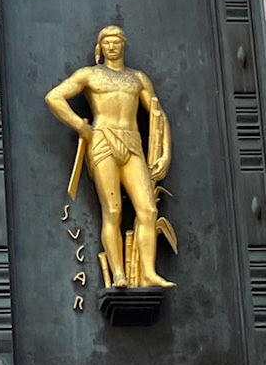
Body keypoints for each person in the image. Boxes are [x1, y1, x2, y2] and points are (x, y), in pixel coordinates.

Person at [45, 26, 174, 291]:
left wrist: (164, 153)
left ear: (124, 45)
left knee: (148, 210)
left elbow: (157, 115)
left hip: (133, 144)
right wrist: (79, 125)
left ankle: (148, 273)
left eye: (116, 42)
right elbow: (54, 97)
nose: (112, 46)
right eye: (107, 42)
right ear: (100, 47)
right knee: (113, 210)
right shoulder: (90, 75)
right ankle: (118, 273)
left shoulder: (137, 79)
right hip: (102, 141)